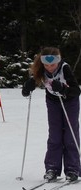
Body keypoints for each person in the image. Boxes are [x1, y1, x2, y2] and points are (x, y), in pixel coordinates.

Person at [22, 46, 81, 182]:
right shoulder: (41, 69)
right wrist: (27, 88)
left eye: (52, 64)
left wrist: (62, 89)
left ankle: (73, 169)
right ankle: (52, 168)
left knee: (70, 134)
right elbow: (27, 90)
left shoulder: (64, 68)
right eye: (46, 65)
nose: (50, 67)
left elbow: (76, 90)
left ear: (58, 61)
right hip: (53, 102)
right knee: (55, 134)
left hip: (69, 102)